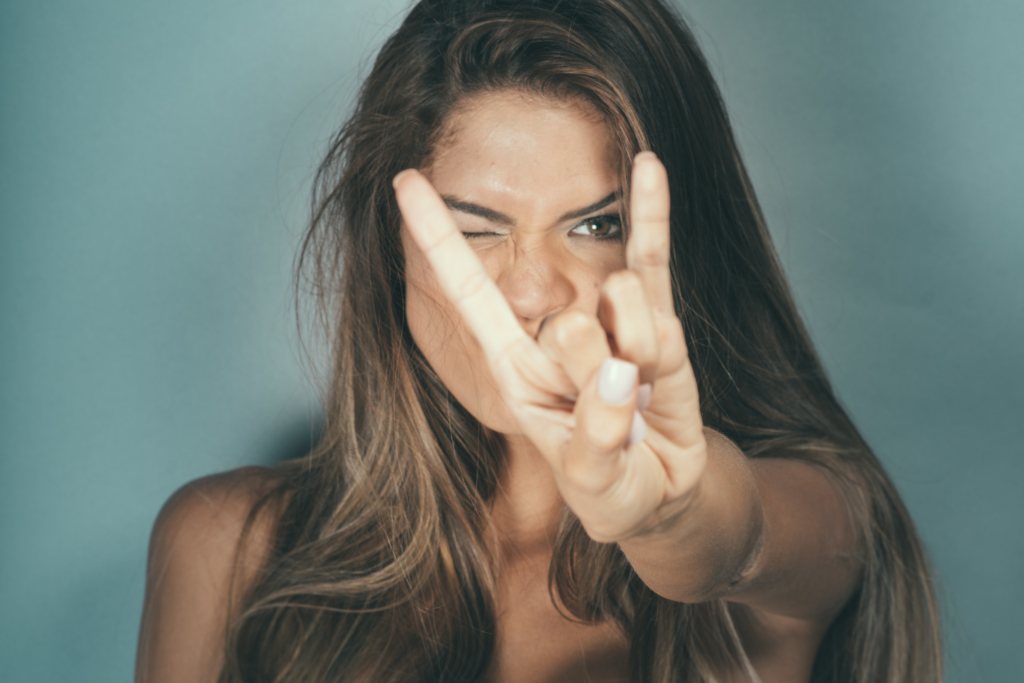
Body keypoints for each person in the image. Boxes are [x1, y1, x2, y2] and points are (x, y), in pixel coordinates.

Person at [135, 0, 943, 681]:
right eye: (475, 228)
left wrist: (671, 520)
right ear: (395, 246)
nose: (530, 291)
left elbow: (742, 539)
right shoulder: (225, 548)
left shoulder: (818, 517)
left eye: (596, 225)